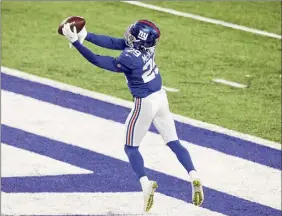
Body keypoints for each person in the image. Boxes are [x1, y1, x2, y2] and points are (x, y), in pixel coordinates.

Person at [62, 19, 204, 212]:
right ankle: (193, 174)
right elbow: (115, 43)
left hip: (144, 103)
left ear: (139, 41)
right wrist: (86, 36)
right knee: (173, 141)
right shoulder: (149, 47)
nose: (129, 35)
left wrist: (77, 43)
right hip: (161, 98)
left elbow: (98, 60)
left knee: (130, 147)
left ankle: (145, 184)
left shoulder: (130, 58)